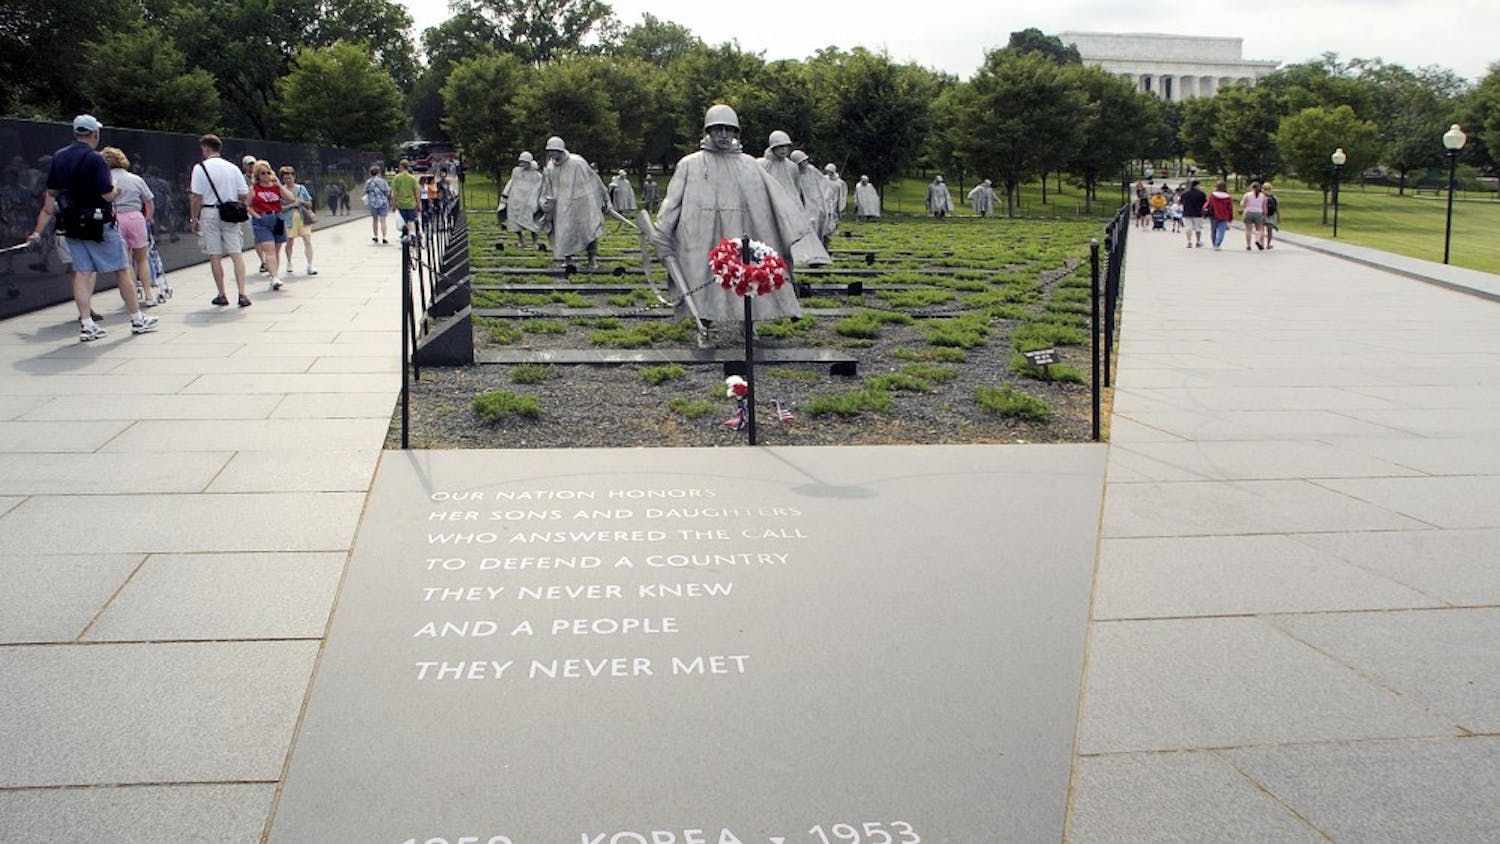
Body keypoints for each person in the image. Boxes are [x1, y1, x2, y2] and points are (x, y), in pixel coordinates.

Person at [652, 103, 830, 326]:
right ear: (708, 132)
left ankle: (749, 325)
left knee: (747, 279)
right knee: (701, 281)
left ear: (736, 133)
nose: (724, 135)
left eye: (729, 130)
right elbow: (672, 203)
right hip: (701, 235)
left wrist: (796, 228)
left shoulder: (749, 165)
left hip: (741, 234)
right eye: (718, 129)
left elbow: (778, 201)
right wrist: (662, 231)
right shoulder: (690, 164)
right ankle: (703, 325)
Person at [26, 115, 157, 340]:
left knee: (82, 272)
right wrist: (116, 189)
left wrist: (41, 227)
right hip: (99, 222)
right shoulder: (95, 159)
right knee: (122, 269)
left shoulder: (59, 157)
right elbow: (106, 195)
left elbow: (52, 194)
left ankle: (86, 324)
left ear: (75, 133)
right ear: (95, 134)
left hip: (72, 223)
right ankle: (136, 319)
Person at [187, 134, 252, 306]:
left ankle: (222, 293)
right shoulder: (232, 168)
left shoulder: (200, 168)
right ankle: (242, 293)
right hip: (230, 212)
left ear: (206, 148)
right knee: (236, 252)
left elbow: (196, 196)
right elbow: (244, 193)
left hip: (210, 212)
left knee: (214, 254)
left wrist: (194, 218)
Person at [101, 146, 160, 306]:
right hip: (135, 217)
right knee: (142, 258)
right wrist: (148, 218)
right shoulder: (135, 179)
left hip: (115, 219)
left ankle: (132, 295)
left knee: (124, 262)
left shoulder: (104, 180)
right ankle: (148, 295)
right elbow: (148, 201)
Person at [539, 136, 608, 269]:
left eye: (554, 150)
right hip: (561, 207)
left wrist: (604, 197)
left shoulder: (577, 162)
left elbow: (594, 180)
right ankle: (568, 259)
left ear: (560, 150)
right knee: (564, 233)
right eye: (550, 151)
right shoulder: (550, 167)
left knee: (588, 230)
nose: (552, 154)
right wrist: (546, 202)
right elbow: (547, 187)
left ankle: (592, 259)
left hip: (582, 203)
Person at [248, 160, 303, 291]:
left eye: (268, 173)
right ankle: (274, 277)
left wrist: (279, 184)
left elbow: (291, 198)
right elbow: (248, 205)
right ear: (257, 175)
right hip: (262, 220)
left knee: (276, 249)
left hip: (277, 218)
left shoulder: (275, 186)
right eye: (263, 173)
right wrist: (257, 216)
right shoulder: (254, 188)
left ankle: (275, 275)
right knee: (269, 249)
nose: (266, 176)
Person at [789, 150, 832, 246]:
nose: (805, 163)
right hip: (806, 204)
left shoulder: (812, 170)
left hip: (818, 201)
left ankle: (822, 244)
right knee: (810, 224)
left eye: (805, 160)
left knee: (821, 223)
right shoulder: (794, 174)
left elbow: (823, 184)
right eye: (801, 162)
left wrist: (825, 199)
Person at [500, 151, 544, 247]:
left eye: (524, 162)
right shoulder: (516, 171)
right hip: (516, 201)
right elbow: (511, 182)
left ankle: (534, 241)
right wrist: (505, 195)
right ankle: (521, 239)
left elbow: (540, 188)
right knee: (515, 223)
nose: (522, 164)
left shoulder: (537, 175)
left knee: (533, 223)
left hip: (530, 202)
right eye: (521, 161)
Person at [279, 166, 316, 276]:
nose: (288, 180)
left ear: (294, 177)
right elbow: (279, 207)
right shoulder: (282, 191)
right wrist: (292, 205)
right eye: (286, 178)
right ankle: (289, 261)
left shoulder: (301, 188)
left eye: (290, 177)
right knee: (290, 241)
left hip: (302, 217)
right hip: (289, 218)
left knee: (307, 240)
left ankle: (310, 265)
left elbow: (310, 203)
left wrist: (302, 202)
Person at [758, 130, 798, 197]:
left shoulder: (792, 167)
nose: (784, 149)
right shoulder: (761, 164)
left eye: (786, 146)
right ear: (773, 147)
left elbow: (796, 188)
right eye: (780, 146)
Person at [389, 160, 421, 236]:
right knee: (411, 220)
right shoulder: (412, 178)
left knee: (403, 221)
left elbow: (394, 193)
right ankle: (412, 234)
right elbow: (417, 192)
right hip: (411, 204)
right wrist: (418, 204)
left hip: (400, 204)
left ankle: (406, 235)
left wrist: (393, 204)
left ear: (401, 166)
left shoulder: (396, 178)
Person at [363, 165, 391, 244]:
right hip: (383, 202)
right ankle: (384, 237)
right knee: (383, 220)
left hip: (373, 203)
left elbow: (365, 191)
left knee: (375, 220)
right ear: (378, 172)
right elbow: (388, 191)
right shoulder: (383, 181)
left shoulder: (368, 182)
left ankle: (375, 236)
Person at [1205, 181, 1235, 251]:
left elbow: (1208, 204)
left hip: (1214, 215)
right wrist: (1230, 217)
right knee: (1221, 231)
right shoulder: (1228, 197)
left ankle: (1214, 243)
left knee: (1213, 231)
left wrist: (1205, 211)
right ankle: (1218, 244)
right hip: (1224, 216)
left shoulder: (1212, 196)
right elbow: (1230, 208)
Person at [1179, 179, 1207, 248]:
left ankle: (1189, 242)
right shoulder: (1201, 194)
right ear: (1197, 185)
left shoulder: (1185, 194)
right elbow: (1204, 204)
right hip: (1198, 213)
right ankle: (1198, 241)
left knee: (1188, 227)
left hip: (1187, 213)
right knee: (1198, 228)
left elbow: (1181, 202)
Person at [1241, 181, 1268, 251]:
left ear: (1251, 187)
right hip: (1258, 213)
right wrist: (1265, 215)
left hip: (1248, 212)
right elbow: (1264, 207)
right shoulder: (1263, 196)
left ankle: (1248, 245)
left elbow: (1243, 204)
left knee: (1248, 230)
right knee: (1260, 229)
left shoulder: (1247, 195)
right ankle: (1258, 239)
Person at [1262, 182, 1279, 249]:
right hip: (1272, 216)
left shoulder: (1261, 196)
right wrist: (1279, 217)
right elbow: (1277, 208)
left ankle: (1261, 243)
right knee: (1269, 231)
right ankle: (1268, 244)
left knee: (1261, 230)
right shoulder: (1274, 197)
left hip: (1263, 215)